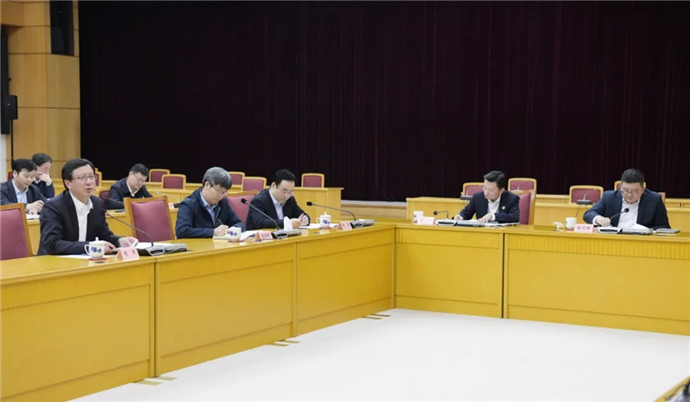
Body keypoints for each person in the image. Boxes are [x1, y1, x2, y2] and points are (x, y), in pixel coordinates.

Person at [38, 158, 138, 255]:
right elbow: (52, 244)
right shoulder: (53, 207)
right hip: (55, 262)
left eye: (91, 176)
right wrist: (89, 246)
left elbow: (104, 234)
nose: (89, 182)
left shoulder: (97, 203)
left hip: (85, 261)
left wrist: (119, 241)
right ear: (68, 183)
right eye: (82, 178)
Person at [583, 168, 670, 229]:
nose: (629, 194)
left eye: (635, 191)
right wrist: (598, 219)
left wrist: (646, 231)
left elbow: (664, 227)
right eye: (625, 190)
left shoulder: (654, 200)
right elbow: (589, 214)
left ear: (643, 189)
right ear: (621, 187)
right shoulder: (609, 197)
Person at [175, 167, 244, 238]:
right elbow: (182, 231)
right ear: (207, 184)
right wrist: (212, 232)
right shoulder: (189, 204)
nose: (220, 196)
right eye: (218, 191)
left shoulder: (223, 202)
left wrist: (232, 229)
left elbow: (239, 224)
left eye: (224, 192)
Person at [454, 170, 520, 223]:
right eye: (485, 188)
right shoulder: (477, 197)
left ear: (501, 190)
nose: (486, 193)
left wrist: (493, 216)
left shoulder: (511, 198)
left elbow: (515, 217)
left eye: (491, 190)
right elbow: (465, 213)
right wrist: (460, 217)